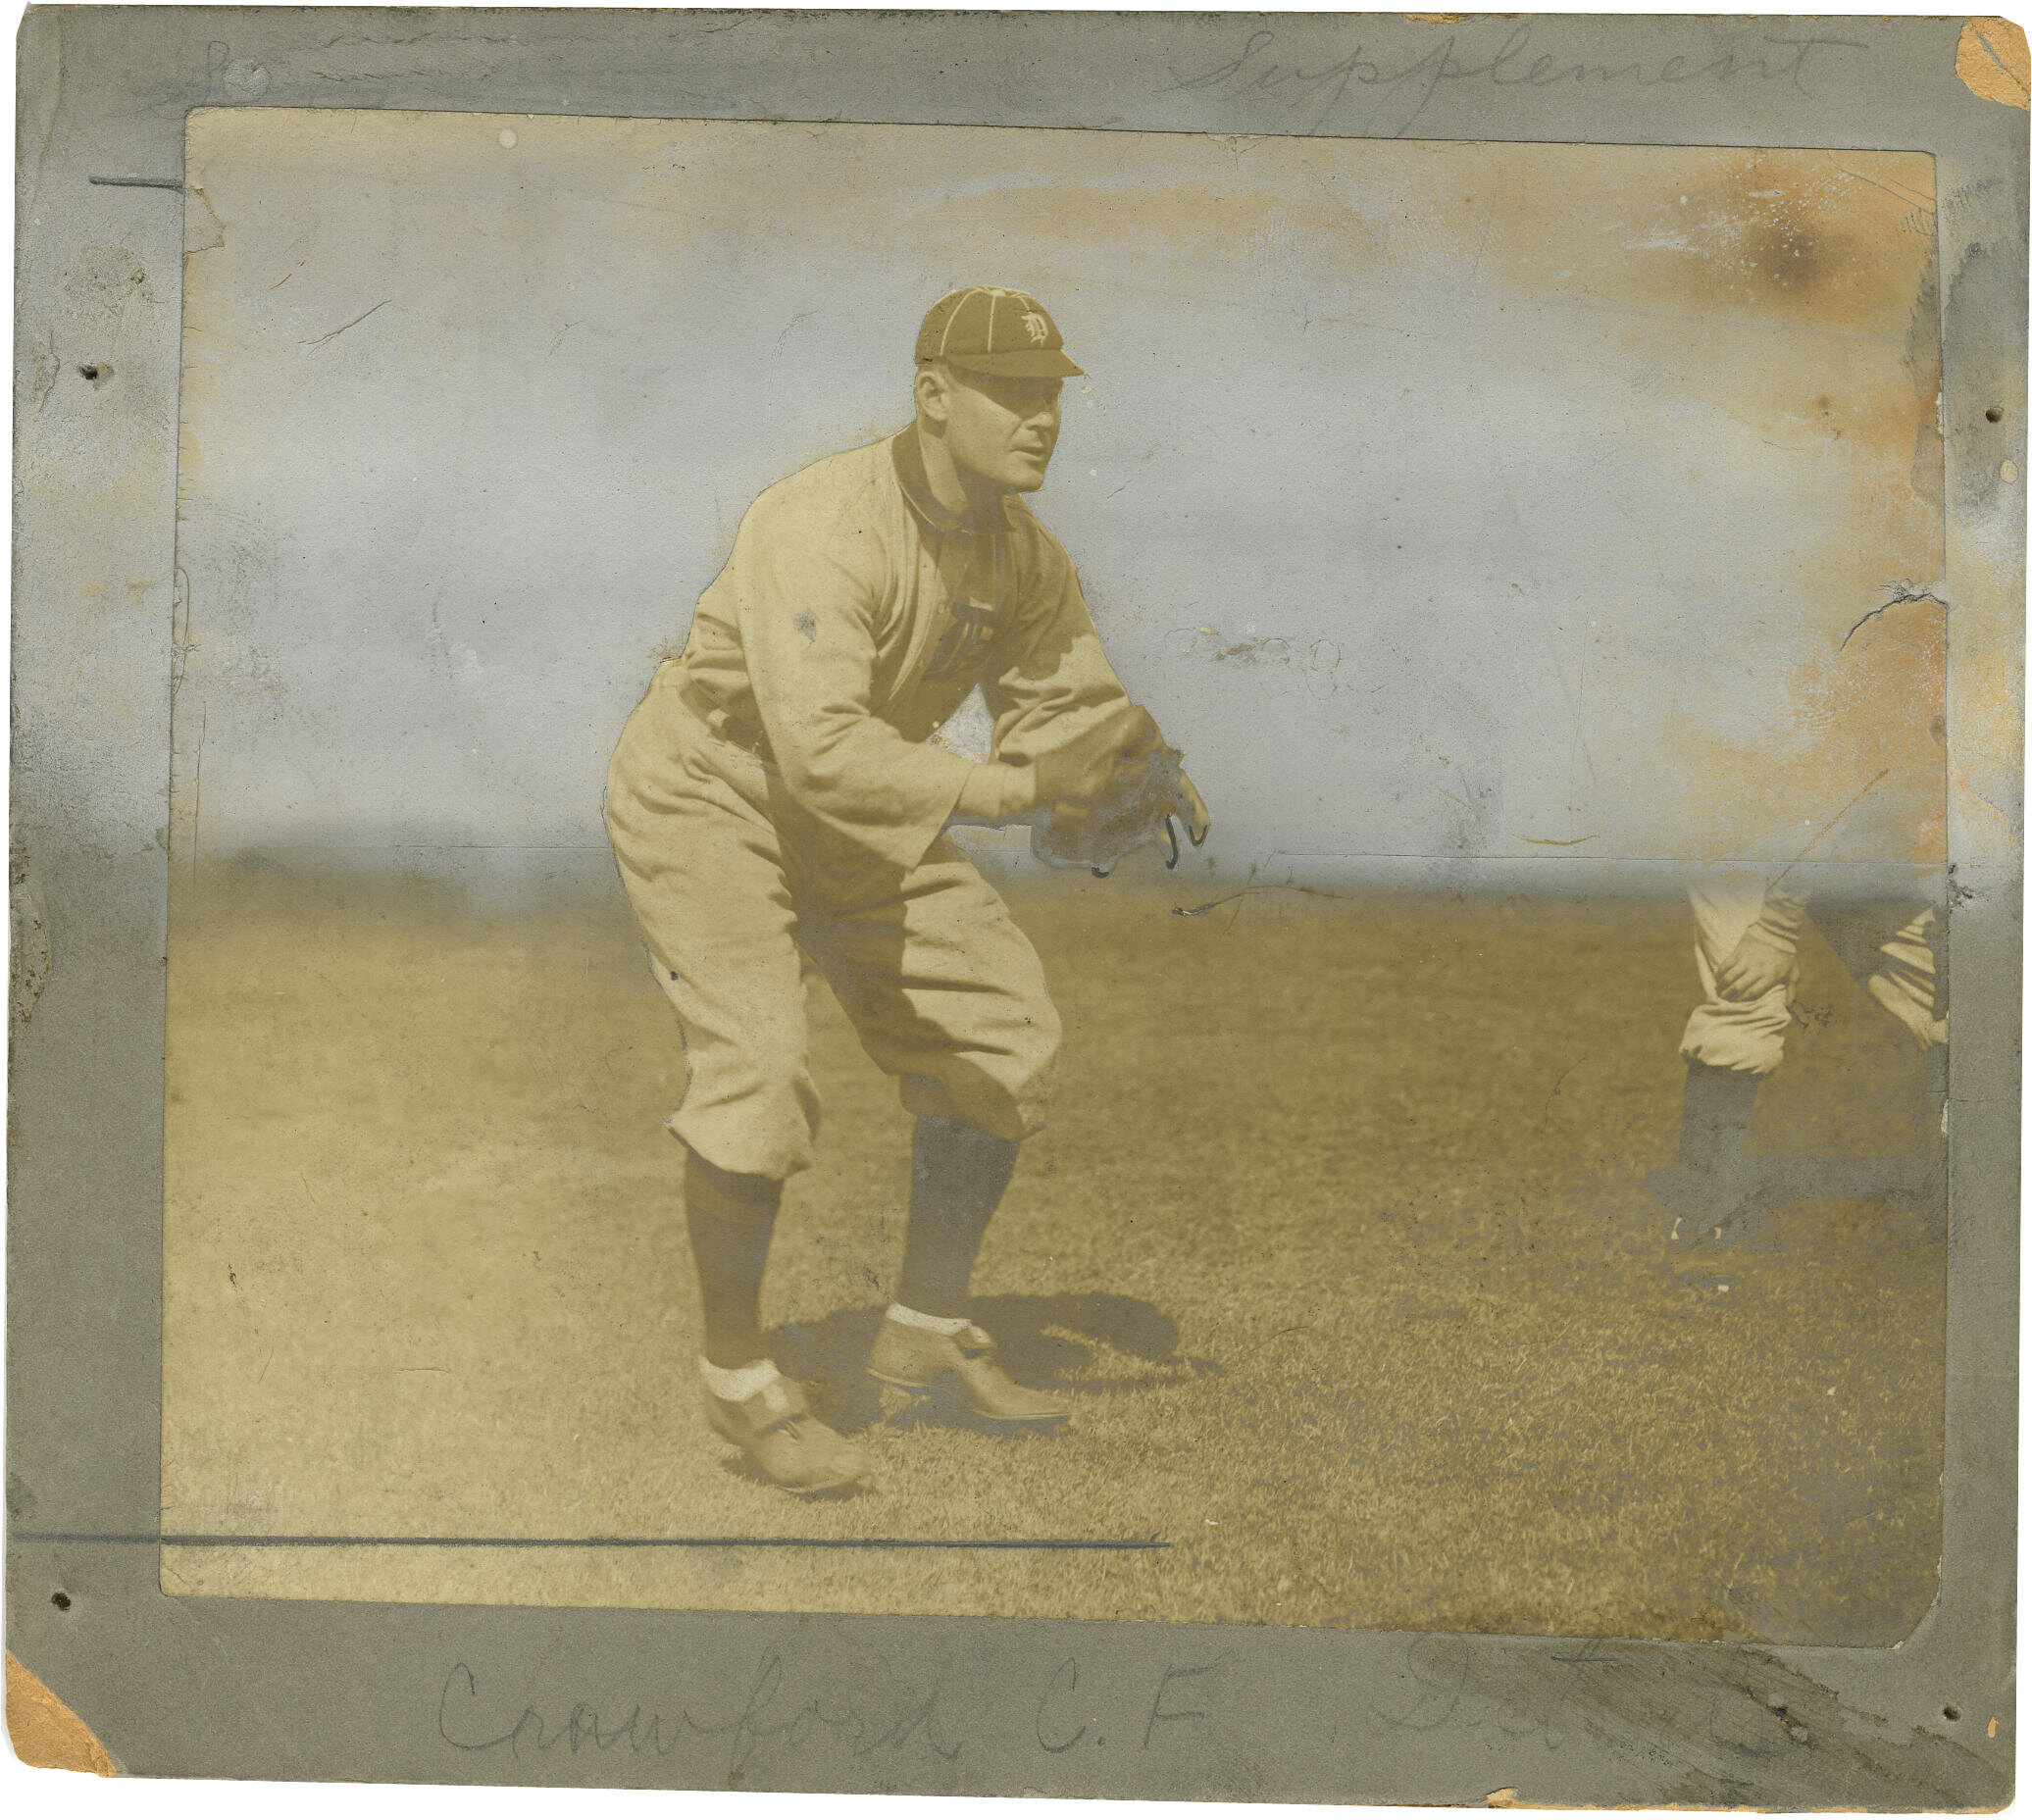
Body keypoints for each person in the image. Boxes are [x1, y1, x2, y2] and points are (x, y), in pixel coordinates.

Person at [605, 286, 1208, 1492]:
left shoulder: (1025, 555)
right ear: (933, 397)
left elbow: (1069, 714)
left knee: (998, 1025)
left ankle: (924, 1338)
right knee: (761, 1068)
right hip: (715, 788)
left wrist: (1135, 766)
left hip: (854, 811)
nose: (1041, 418)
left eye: (1051, 395)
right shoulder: (824, 523)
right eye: (1012, 392)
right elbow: (822, 751)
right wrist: (1017, 788)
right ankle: (739, 1384)